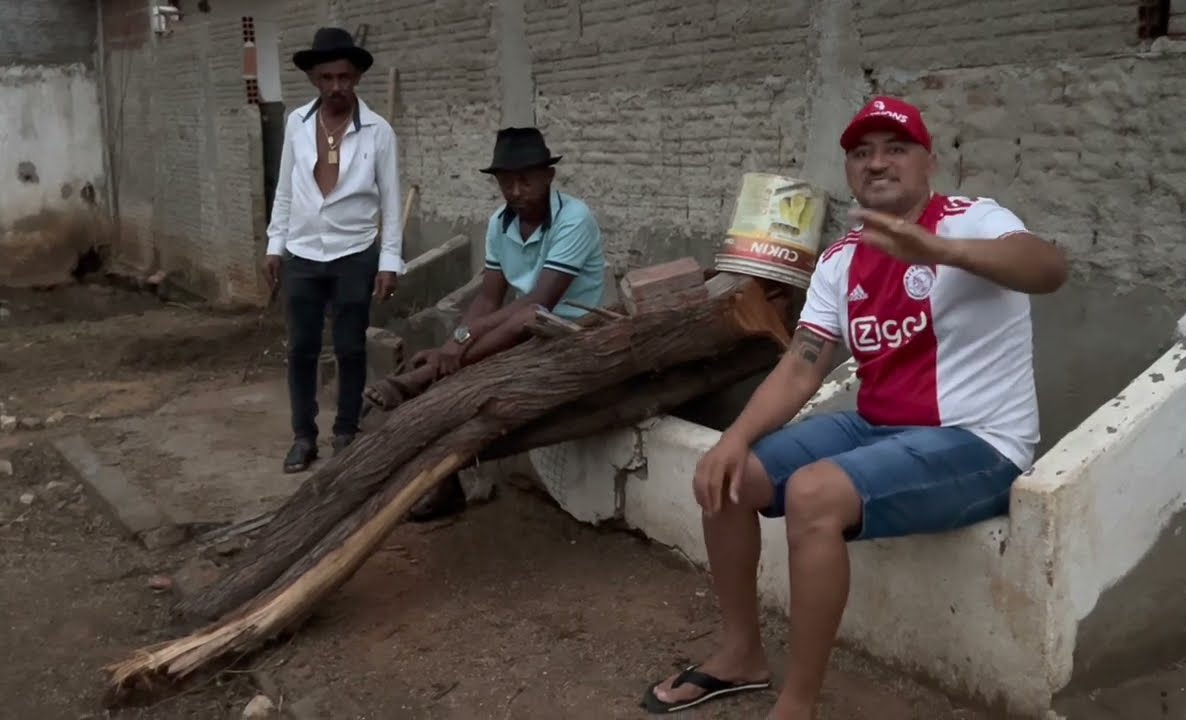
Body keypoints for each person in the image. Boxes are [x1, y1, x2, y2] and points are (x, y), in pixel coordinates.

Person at [641, 96, 1069, 719]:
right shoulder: (841, 260)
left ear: (928, 162)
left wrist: (939, 252)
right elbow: (802, 363)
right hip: (877, 428)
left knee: (815, 494)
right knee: (727, 476)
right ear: (849, 172)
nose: (878, 163)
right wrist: (733, 439)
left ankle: (799, 704)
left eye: (896, 148)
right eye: (862, 153)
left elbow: (1049, 268)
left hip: (978, 443)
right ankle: (741, 655)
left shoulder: (972, 220)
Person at [362, 126, 606, 520]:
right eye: (506, 181)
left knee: (528, 316)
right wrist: (451, 347)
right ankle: (444, 481)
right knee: (457, 375)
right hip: (522, 332)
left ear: (549, 176)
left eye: (526, 179)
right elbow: (489, 297)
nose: (515, 190)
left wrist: (460, 339)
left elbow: (539, 301)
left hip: (572, 333)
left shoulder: (574, 219)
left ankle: (418, 378)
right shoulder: (499, 223)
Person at [263, 27, 403, 474]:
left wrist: (389, 261)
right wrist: (274, 246)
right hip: (303, 253)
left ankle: (345, 431)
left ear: (357, 77)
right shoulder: (296, 124)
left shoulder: (379, 131)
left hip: (355, 251)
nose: (336, 87)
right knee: (302, 348)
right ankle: (304, 436)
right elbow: (284, 190)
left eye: (344, 77)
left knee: (350, 347)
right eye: (327, 78)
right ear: (314, 80)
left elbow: (392, 203)